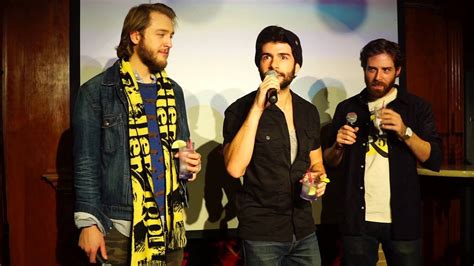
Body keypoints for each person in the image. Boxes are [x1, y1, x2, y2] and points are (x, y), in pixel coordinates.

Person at [73, 3, 201, 265]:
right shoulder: (97, 92)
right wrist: (88, 223)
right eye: (161, 34)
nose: (169, 43)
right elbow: (86, 163)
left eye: (171, 36)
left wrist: (186, 164)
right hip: (118, 229)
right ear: (135, 36)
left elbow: (181, 149)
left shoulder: (173, 91)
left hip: (170, 227)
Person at [323, 38, 443, 266]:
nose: (378, 77)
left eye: (386, 70)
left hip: (402, 218)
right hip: (357, 220)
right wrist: (337, 146)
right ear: (364, 69)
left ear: (397, 71)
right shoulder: (347, 108)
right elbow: (330, 162)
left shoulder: (416, 107)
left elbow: (433, 158)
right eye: (372, 69)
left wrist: (405, 131)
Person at [223, 25, 327, 266]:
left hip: (303, 229)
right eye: (266, 57)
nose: (273, 65)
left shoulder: (308, 112)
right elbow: (235, 169)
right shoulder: (240, 110)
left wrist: (319, 179)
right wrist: (258, 109)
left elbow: (317, 163)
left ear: (296, 66)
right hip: (262, 233)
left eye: (283, 57)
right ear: (259, 64)